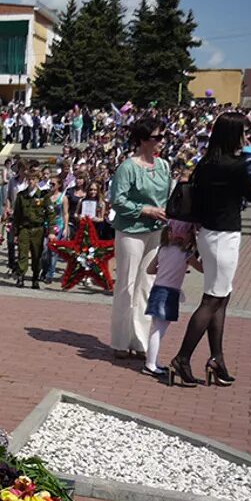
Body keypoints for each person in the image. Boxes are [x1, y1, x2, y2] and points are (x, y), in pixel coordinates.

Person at [170, 112, 251, 386]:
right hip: (224, 235)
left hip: (208, 234)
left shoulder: (205, 164)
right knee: (212, 299)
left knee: (221, 296)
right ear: (234, 135)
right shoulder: (236, 165)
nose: (246, 138)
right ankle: (183, 358)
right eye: (243, 132)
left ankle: (217, 358)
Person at [109, 118, 171, 359]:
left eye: (162, 137)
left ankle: (140, 339)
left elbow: (168, 194)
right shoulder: (128, 167)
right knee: (126, 284)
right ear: (143, 140)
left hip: (156, 230)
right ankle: (120, 341)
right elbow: (118, 200)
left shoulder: (164, 166)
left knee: (147, 285)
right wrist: (146, 210)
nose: (161, 142)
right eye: (157, 137)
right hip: (131, 231)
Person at [143, 218, 200, 378]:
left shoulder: (162, 250)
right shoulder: (186, 254)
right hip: (169, 293)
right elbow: (202, 269)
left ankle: (153, 361)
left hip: (157, 289)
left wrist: (164, 272)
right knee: (159, 330)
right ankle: (150, 364)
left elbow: (150, 270)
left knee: (157, 328)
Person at [12, 168, 56, 289]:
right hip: (24, 229)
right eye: (29, 179)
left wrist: (51, 231)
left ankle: (35, 278)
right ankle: (20, 277)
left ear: (37, 180)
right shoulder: (21, 196)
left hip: (38, 229)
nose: (31, 181)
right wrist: (15, 233)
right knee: (22, 253)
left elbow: (51, 214)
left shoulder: (43, 196)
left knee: (37, 255)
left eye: (34, 179)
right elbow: (17, 215)